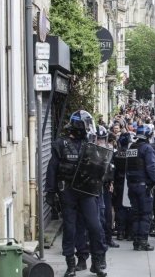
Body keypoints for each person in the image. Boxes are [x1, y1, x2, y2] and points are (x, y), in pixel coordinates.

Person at [45, 110, 107, 277]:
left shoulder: (90, 143)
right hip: (68, 192)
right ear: (79, 126)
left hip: (87, 192)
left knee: (94, 226)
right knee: (70, 228)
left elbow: (99, 167)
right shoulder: (61, 144)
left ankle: (97, 262)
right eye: (85, 125)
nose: (87, 128)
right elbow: (52, 169)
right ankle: (70, 264)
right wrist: (50, 191)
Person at [126, 124, 155, 251]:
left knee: (136, 214)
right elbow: (150, 167)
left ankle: (136, 241)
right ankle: (143, 242)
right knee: (145, 214)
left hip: (132, 185)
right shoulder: (147, 148)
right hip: (143, 186)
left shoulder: (132, 147)